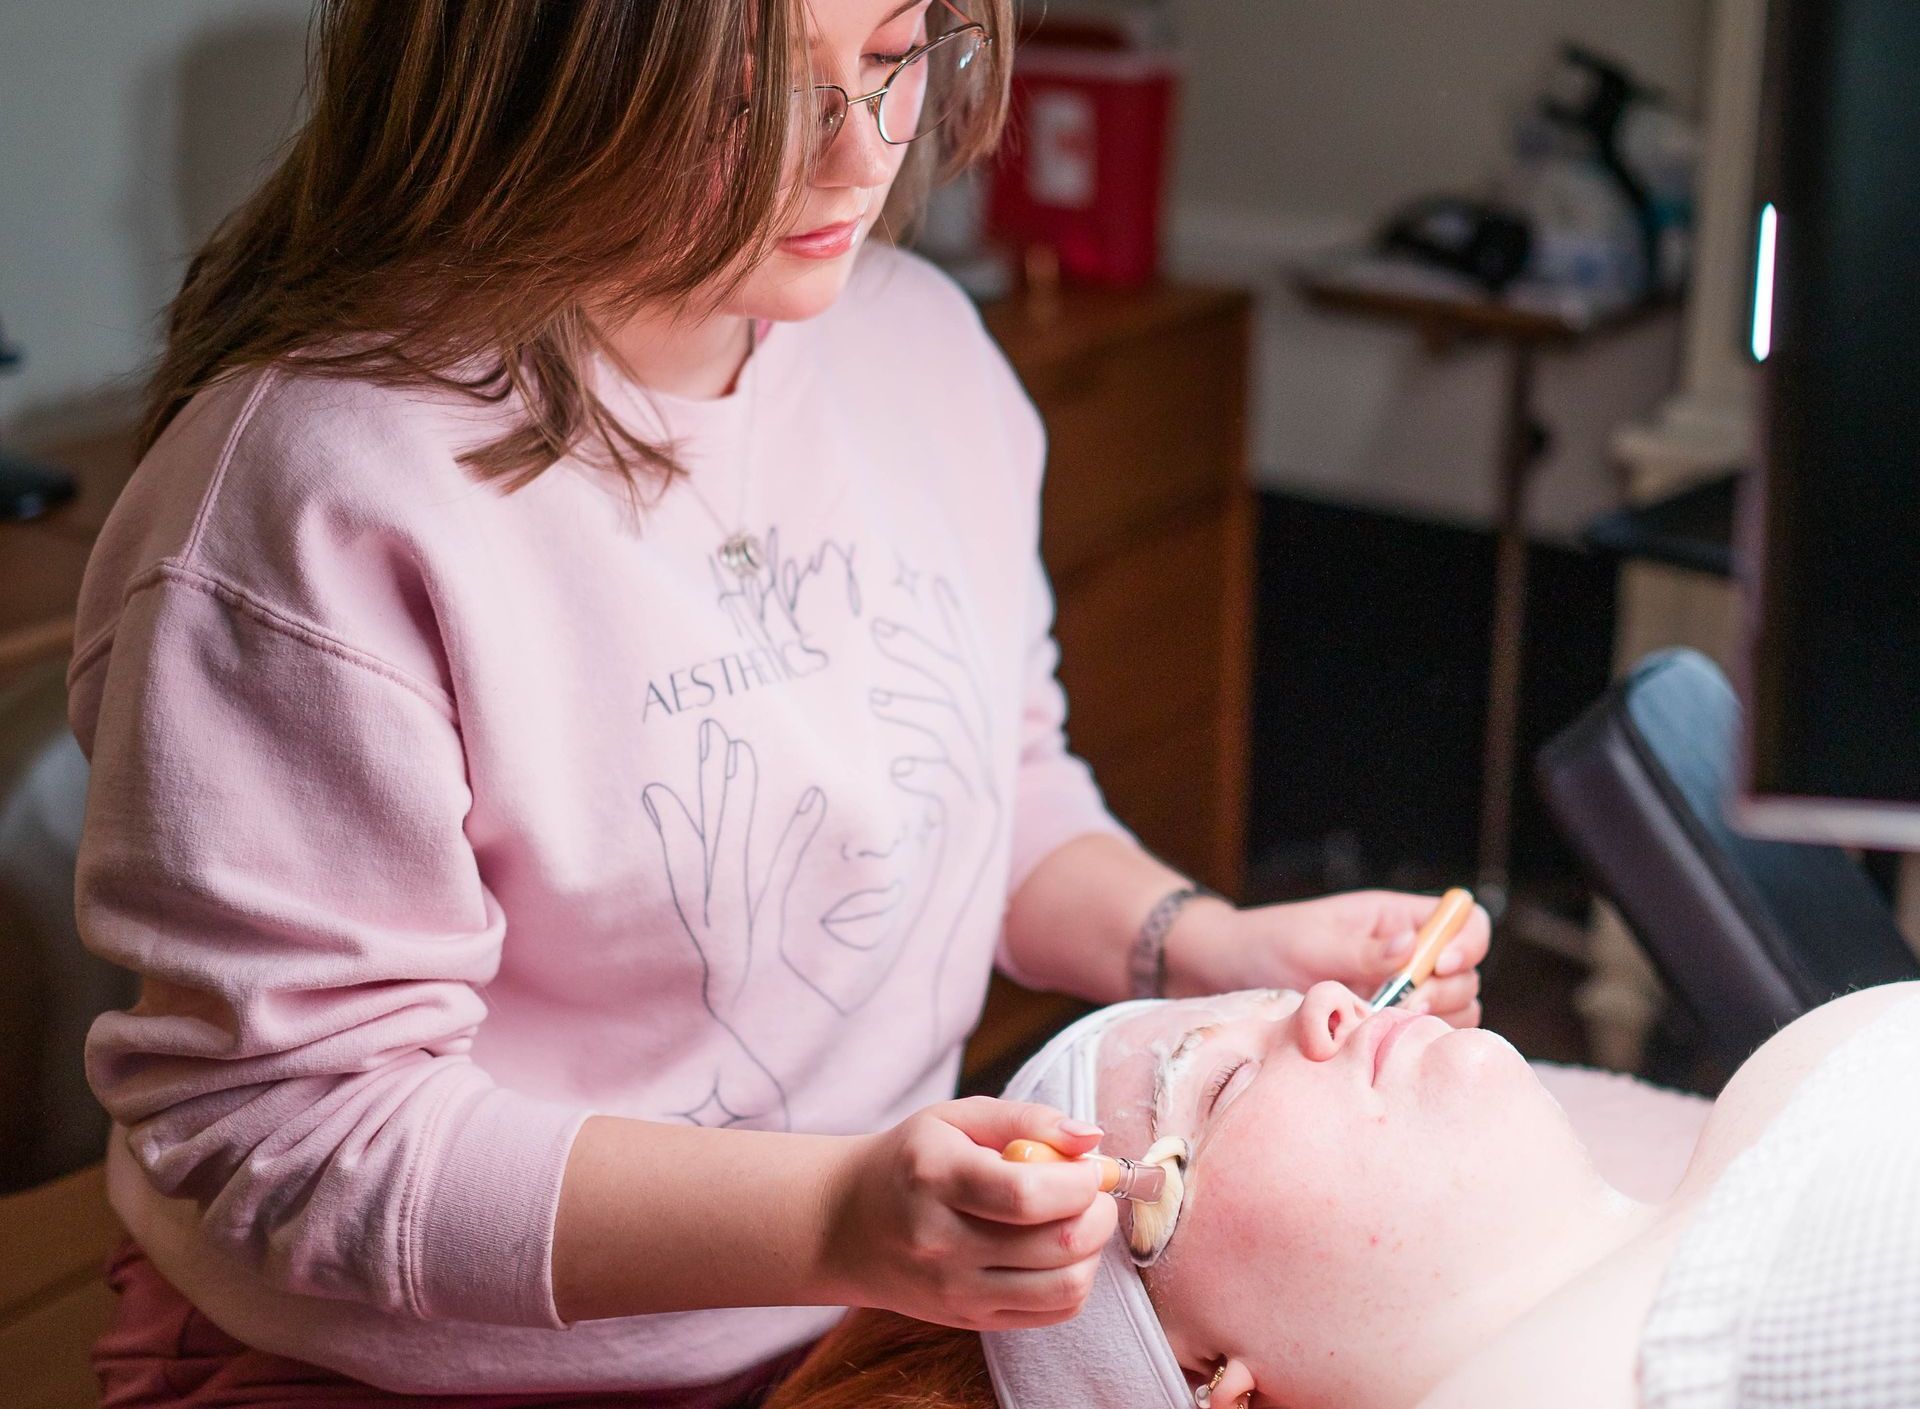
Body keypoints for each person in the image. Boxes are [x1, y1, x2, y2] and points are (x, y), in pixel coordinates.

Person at [70, 1, 1495, 1404]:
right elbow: (300, 1133)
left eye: (889, 61)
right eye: (748, 97)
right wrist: (830, 1220)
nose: (854, 157)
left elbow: (988, 782)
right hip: (397, 1365)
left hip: (844, 1313)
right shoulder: (319, 495)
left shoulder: (919, 347)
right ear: (534, 68)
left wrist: (1207, 941)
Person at [762, 979, 1920, 1409]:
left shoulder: (1794, 1068)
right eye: (1216, 1083)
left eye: (1274, 997)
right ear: (1215, 1382)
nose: (1328, 999)